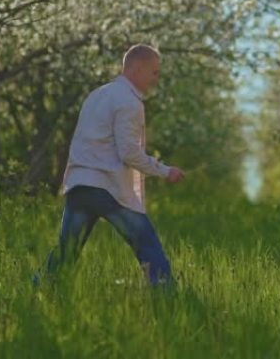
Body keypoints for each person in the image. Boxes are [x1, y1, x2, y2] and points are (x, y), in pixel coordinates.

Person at [36, 44, 184, 286]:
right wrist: (165, 171)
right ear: (136, 69)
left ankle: (37, 293)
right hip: (107, 189)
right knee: (148, 245)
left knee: (65, 254)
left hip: (80, 186)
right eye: (154, 72)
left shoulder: (97, 95)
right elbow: (128, 153)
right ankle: (169, 300)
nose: (156, 79)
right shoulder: (129, 101)